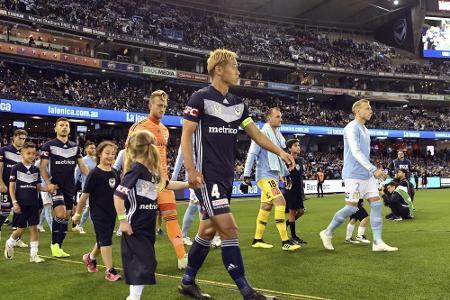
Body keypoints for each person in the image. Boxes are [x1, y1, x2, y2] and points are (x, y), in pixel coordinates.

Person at [178, 48, 294, 300]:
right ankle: (247, 290)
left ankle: (187, 281)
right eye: (234, 66)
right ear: (219, 69)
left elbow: (257, 134)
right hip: (206, 177)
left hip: (225, 177)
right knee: (229, 230)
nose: (238, 70)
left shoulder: (239, 104)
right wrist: (191, 169)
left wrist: (281, 151)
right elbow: (186, 135)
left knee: (208, 231)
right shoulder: (199, 98)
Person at [114, 131, 190, 300]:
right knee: (143, 264)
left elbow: (167, 184)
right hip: (135, 228)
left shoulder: (150, 173)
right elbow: (118, 196)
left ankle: (134, 297)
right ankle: (133, 297)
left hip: (147, 227)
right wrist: (123, 222)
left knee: (148, 264)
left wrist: (189, 184)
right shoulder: (135, 171)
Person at [319, 99, 397, 252]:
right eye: (367, 108)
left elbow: (364, 155)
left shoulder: (365, 129)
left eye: (370, 108)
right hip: (353, 175)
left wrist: (371, 171)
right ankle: (327, 232)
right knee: (351, 208)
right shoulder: (351, 128)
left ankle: (377, 242)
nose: (371, 111)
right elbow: (355, 152)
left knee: (375, 203)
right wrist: (373, 169)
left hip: (367, 176)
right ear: (357, 111)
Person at [126, 89, 187, 269]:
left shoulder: (165, 130)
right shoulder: (139, 127)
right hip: (144, 182)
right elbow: (129, 155)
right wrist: (128, 180)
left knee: (171, 215)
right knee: (144, 221)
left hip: (163, 181)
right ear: (150, 105)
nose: (162, 109)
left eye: (165, 106)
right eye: (159, 105)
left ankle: (182, 257)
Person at [242, 107, 299, 251]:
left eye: (281, 116)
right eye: (278, 116)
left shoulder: (277, 135)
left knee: (266, 207)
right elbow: (251, 154)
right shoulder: (261, 134)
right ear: (269, 119)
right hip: (265, 176)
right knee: (281, 202)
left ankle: (257, 239)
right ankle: (285, 241)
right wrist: (246, 177)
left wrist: (285, 174)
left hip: (272, 175)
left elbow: (280, 157)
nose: (281, 119)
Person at [40, 117, 89, 258]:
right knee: (60, 214)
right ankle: (54, 245)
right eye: (61, 125)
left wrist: (94, 178)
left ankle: (59, 246)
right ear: (55, 128)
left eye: (66, 125)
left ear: (69, 129)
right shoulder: (48, 145)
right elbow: (42, 167)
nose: (64, 127)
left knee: (66, 217)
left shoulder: (75, 147)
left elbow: (83, 166)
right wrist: (48, 182)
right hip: (56, 185)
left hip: (70, 187)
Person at [72, 141, 121, 281]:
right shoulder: (94, 174)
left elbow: (118, 193)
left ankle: (90, 258)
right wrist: (77, 213)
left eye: (113, 154)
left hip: (112, 213)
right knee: (105, 240)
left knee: (103, 240)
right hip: (98, 213)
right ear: (99, 154)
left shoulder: (115, 172)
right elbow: (84, 196)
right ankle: (110, 271)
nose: (110, 156)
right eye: (107, 153)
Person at [4, 142, 47, 263]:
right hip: (20, 204)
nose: (31, 156)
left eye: (34, 154)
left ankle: (34, 255)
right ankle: (9, 243)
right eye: (28, 153)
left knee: (34, 228)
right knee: (21, 229)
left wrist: (48, 188)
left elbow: (38, 187)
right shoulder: (16, 168)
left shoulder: (36, 170)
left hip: (33, 203)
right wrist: (14, 202)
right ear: (22, 154)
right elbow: (11, 188)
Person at [0, 129, 29, 247]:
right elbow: (0, 167)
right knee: (4, 212)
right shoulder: (4, 150)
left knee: (19, 213)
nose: (22, 141)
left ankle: (16, 238)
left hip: (20, 189)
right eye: (20, 138)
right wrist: (1, 183)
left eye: (24, 139)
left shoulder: (25, 152)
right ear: (14, 138)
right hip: (7, 186)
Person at [283, 139, 307, 245]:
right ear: (289, 148)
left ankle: (288, 223)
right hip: (290, 189)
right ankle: (293, 236)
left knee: (301, 211)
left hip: (298, 189)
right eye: (295, 145)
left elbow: (300, 174)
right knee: (292, 212)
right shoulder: (286, 159)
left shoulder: (300, 160)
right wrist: (290, 170)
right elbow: (283, 174)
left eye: (298, 145)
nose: (298, 147)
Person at [73, 141, 97, 234]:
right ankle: (96, 227)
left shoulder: (97, 160)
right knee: (90, 207)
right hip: (87, 188)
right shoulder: (82, 160)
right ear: (86, 149)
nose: (93, 149)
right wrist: (73, 187)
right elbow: (76, 175)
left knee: (89, 207)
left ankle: (80, 226)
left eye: (94, 148)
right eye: (91, 148)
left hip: (97, 188)